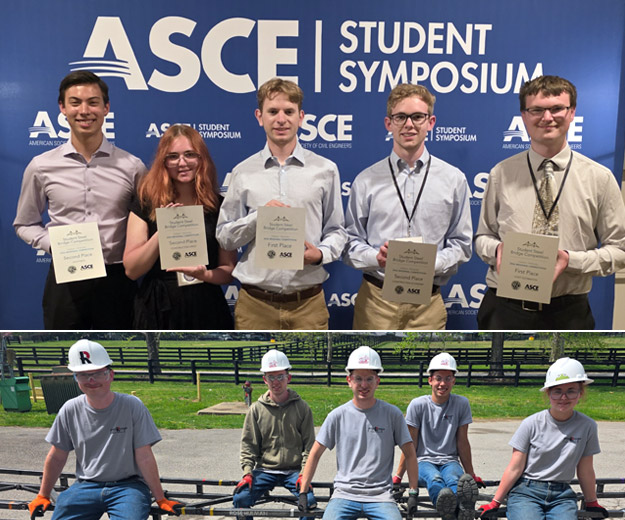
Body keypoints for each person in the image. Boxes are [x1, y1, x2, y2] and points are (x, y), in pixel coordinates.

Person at [27, 339, 182, 520]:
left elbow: (144, 455)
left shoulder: (132, 406)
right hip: (86, 485)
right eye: (84, 374)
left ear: (111, 374)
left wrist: (160, 497)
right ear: (75, 378)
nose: (92, 380)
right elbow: (57, 455)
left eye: (98, 372)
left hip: (127, 485)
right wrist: (43, 494)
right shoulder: (70, 410)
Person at [475, 75, 625, 330]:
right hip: (505, 308)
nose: (547, 117)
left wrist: (571, 260)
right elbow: (482, 238)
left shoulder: (599, 178)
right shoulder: (501, 173)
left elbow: (619, 251)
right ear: (524, 116)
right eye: (537, 110)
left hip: (569, 312)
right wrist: (498, 251)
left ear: (572, 112)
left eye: (557, 108)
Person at [477, 358, 608, 520]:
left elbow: (585, 468)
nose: (564, 397)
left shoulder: (587, 426)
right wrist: (495, 500)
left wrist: (592, 501)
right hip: (527, 493)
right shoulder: (531, 424)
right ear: (548, 392)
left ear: (581, 392)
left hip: (561, 496)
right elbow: (515, 467)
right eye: (557, 391)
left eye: (571, 390)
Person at [13, 71, 146, 329]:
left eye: (93, 102)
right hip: (66, 279)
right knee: (63, 353)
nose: (84, 110)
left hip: (117, 280)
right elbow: (24, 224)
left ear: (106, 107)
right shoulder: (41, 166)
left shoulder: (133, 167)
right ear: (62, 108)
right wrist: (53, 243)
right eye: (75, 102)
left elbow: (146, 223)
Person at [216, 78, 347, 330]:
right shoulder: (243, 172)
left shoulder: (326, 170)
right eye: (272, 111)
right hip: (255, 305)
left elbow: (337, 231)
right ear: (259, 116)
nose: (281, 119)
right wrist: (258, 219)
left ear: (301, 116)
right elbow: (225, 237)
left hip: (307, 304)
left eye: (289, 111)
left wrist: (319, 254)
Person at [298, 346, 419, 520]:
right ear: (348, 380)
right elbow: (315, 453)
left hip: (380, 495)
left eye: (369, 378)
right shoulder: (338, 415)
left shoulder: (392, 414)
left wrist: (412, 492)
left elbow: (410, 453)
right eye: (358, 378)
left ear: (378, 380)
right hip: (344, 494)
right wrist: (304, 490)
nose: (363, 384)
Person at [343, 83, 472, 330]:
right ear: (388, 123)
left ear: (431, 122)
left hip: (428, 305)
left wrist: (431, 262)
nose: (409, 124)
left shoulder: (454, 179)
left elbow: (462, 244)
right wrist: (376, 257)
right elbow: (348, 242)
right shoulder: (365, 180)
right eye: (400, 117)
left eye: (417, 117)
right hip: (376, 303)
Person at [123, 124, 235, 329]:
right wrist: (163, 231)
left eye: (190, 154)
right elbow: (132, 270)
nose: (182, 163)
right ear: (163, 162)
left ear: (201, 159)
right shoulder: (146, 203)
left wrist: (205, 275)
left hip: (206, 303)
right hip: (158, 305)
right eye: (173, 156)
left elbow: (228, 269)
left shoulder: (219, 206)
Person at [222, 349, 320, 520]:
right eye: (271, 376)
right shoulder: (256, 410)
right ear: (264, 379)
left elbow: (309, 447)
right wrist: (248, 472)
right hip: (264, 469)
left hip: (294, 470)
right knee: (241, 498)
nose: (276, 381)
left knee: (309, 500)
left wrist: (304, 474)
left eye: (280, 376)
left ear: (289, 377)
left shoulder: (302, 408)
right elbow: (248, 445)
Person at [393, 352, 483, 520]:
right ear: (430, 380)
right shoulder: (418, 405)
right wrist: (398, 475)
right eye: (438, 378)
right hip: (423, 461)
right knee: (435, 480)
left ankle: (459, 508)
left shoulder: (461, 404)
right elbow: (410, 443)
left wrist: (471, 474)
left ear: (454, 381)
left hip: (450, 460)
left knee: (453, 478)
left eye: (448, 378)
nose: (443, 383)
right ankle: (449, 509)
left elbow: (463, 442)